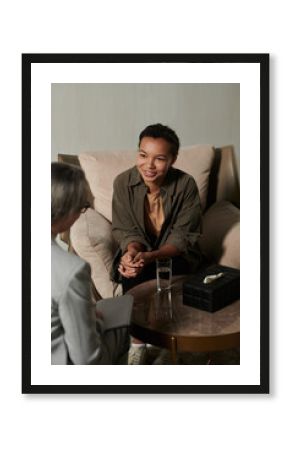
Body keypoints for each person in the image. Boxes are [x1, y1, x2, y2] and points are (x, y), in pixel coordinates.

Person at [111, 123, 203, 364]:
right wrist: (132, 253)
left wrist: (152, 256)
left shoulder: (186, 185)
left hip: (175, 254)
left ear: (172, 159)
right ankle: (138, 344)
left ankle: (170, 340)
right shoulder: (122, 183)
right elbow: (125, 229)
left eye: (159, 158)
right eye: (143, 155)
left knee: (172, 273)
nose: (149, 165)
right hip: (141, 250)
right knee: (132, 273)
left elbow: (183, 236)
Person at [51, 162, 133, 365]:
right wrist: (94, 322)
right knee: (126, 308)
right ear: (71, 212)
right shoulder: (71, 270)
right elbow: (86, 359)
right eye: (82, 205)